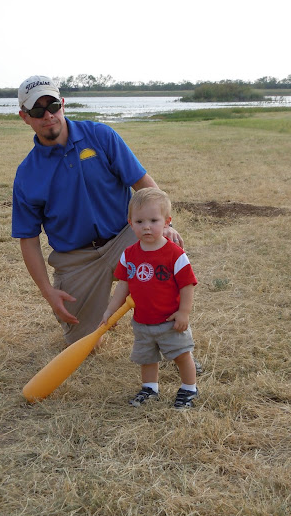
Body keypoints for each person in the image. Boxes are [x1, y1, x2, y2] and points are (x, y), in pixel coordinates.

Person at [12, 75, 184, 346]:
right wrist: (47, 292)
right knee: (83, 342)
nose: (48, 115)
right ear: (25, 117)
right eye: (37, 110)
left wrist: (166, 227)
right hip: (76, 258)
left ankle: (179, 347)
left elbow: (142, 184)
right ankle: (100, 307)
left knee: (168, 256)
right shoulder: (26, 174)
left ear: (63, 104)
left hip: (124, 237)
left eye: (53, 105)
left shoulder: (101, 136)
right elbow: (28, 239)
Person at [101, 188, 199, 409]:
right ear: (130, 224)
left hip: (170, 321)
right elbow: (123, 286)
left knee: (182, 355)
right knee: (146, 357)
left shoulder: (175, 254)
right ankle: (150, 388)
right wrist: (110, 311)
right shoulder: (129, 254)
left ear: (167, 222)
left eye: (154, 220)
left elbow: (187, 285)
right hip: (142, 322)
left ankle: (189, 388)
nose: (146, 226)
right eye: (139, 221)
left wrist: (183, 313)